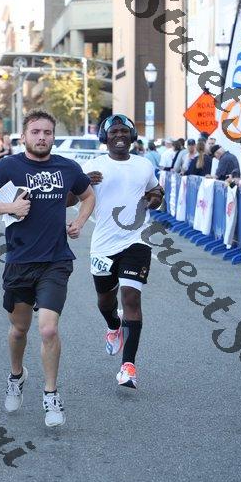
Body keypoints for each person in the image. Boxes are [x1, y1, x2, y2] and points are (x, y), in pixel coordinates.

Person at [0, 109, 95, 427]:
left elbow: (88, 195)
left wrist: (80, 222)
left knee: (48, 329)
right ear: (24, 136)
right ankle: (17, 375)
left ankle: (51, 394)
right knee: (19, 330)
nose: (42, 137)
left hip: (56, 261)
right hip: (19, 262)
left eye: (47, 132)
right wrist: (10, 207)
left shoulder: (67, 168)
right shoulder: (7, 167)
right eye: (36, 132)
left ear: (53, 137)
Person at [82, 114, 163, 389]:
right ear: (104, 138)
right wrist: (82, 182)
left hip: (137, 240)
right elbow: (70, 199)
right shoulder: (93, 165)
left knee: (131, 297)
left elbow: (156, 192)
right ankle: (113, 325)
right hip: (103, 243)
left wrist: (155, 198)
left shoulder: (143, 165)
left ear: (132, 136)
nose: (119, 135)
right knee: (105, 301)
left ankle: (128, 367)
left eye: (124, 131)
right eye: (114, 131)